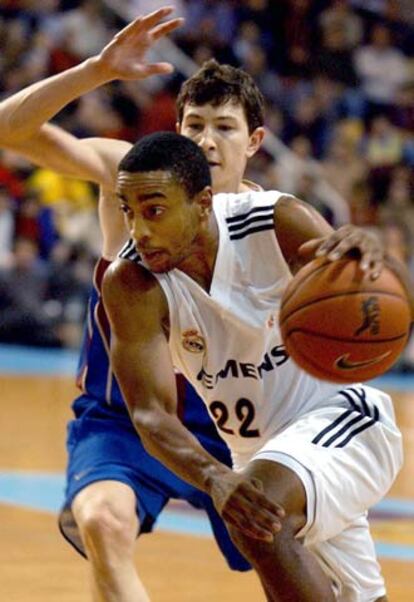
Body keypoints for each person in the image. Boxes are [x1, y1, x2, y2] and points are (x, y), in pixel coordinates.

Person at [0, 7, 271, 601]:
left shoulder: (277, 221)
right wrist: (95, 71)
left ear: (253, 141)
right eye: (194, 124)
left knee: (297, 557)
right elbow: (9, 131)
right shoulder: (127, 177)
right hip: (123, 418)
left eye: (223, 127)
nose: (206, 140)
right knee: (104, 521)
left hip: (237, 429)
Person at [102, 129, 412, 601]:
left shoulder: (273, 221)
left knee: (258, 514)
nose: (139, 230)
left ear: (202, 202)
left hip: (342, 420)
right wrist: (214, 476)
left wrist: (379, 258)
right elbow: (150, 414)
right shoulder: (132, 284)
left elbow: (380, 294)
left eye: (155, 210)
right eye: (129, 212)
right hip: (257, 454)